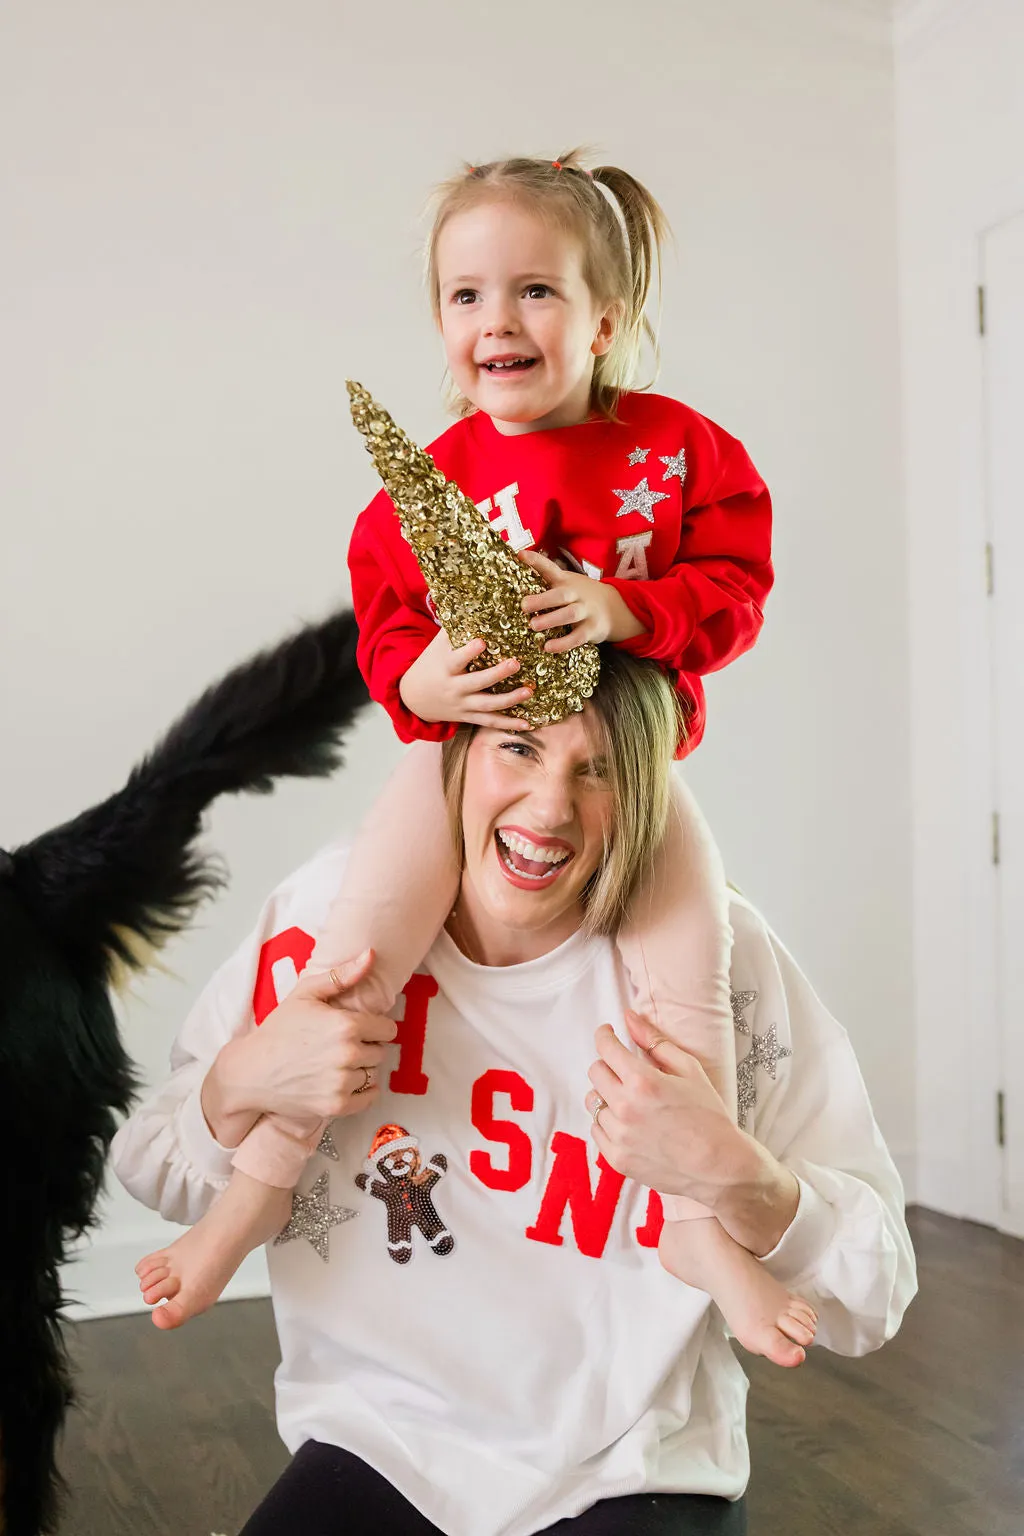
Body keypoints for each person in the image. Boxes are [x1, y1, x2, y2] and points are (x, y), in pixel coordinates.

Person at [133, 149, 788, 1358]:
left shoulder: (678, 452)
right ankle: (253, 1192)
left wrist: (625, 610)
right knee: (348, 968)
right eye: (467, 296)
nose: (499, 319)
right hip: (466, 768)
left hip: (627, 772)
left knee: (689, 980)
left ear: (607, 317)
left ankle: (698, 1222)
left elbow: (739, 586)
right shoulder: (428, 484)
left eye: (535, 290)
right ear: (443, 325)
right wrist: (415, 679)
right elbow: (385, 615)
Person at [113, 648, 916, 1536]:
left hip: (631, 1470)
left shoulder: (717, 973)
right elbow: (153, 1172)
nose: (550, 809)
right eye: (518, 747)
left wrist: (738, 1178)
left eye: (598, 769)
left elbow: (872, 1301)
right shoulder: (325, 934)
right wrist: (242, 1080)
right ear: (454, 752)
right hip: (381, 1445)